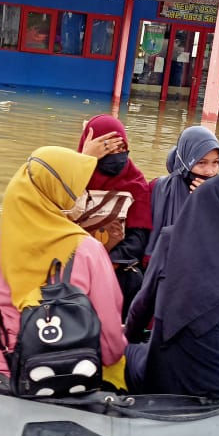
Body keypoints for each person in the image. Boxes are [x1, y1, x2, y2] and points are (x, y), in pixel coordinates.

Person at [0, 146, 126, 386]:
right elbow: (109, 340)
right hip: (64, 373)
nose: (83, 199)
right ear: (58, 195)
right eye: (78, 192)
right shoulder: (88, 251)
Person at [126, 170, 219, 397]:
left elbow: (142, 306)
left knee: (131, 353)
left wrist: (129, 337)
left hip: (161, 379)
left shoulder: (169, 240)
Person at [75, 115, 152, 315]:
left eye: (121, 148)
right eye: (107, 148)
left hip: (116, 267)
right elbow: (55, 215)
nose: (116, 155)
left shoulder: (135, 182)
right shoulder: (71, 175)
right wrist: (84, 160)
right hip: (73, 263)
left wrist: (108, 264)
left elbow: (138, 236)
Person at [147, 125, 219, 258]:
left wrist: (211, 203)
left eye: (215, 162)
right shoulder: (158, 188)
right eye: (201, 163)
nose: (210, 171)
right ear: (185, 161)